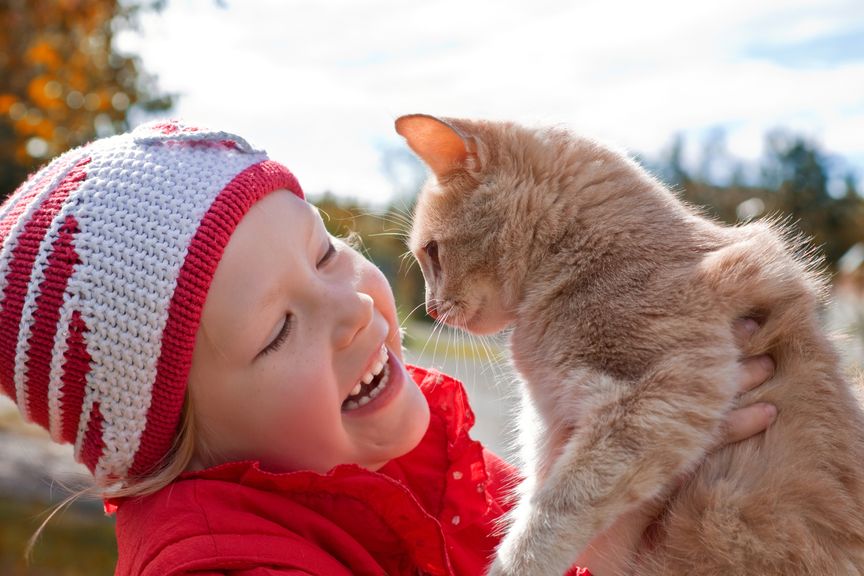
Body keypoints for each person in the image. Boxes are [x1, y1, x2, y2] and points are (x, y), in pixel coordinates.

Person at [0, 120, 776, 576]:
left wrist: (624, 501)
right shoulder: (221, 562)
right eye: (278, 330)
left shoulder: (415, 467)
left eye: (326, 253)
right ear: (176, 439)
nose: (351, 310)